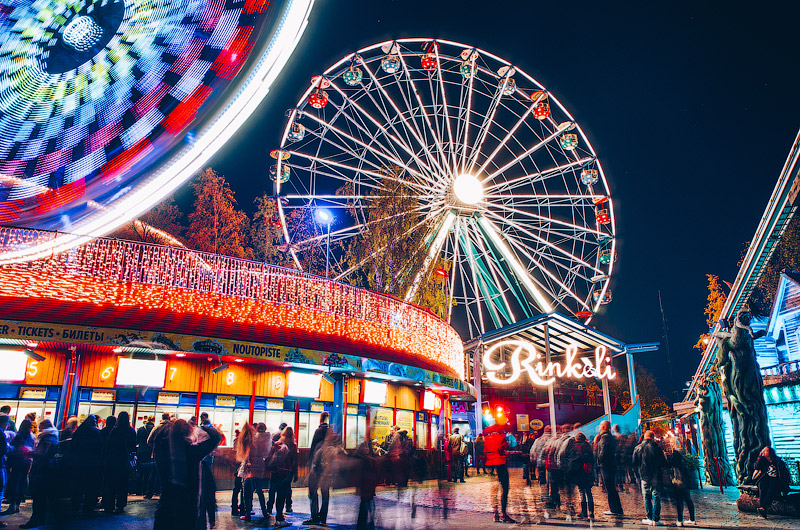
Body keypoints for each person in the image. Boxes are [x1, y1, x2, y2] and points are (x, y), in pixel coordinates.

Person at [151, 418, 221, 530]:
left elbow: (153, 438)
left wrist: (167, 426)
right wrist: (199, 427)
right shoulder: (190, 451)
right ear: (187, 433)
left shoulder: (161, 447)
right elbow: (215, 437)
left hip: (165, 505)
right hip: (186, 505)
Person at [20, 419, 59, 529]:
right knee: (45, 496)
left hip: (41, 470)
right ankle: (43, 519)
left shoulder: (46, 437)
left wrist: (29, 452)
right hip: (49, 469)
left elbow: (42, 454)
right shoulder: (53, 436)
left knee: (38, 496)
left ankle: (36, 519)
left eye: (40, 426)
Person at [304, 429, 341, 527]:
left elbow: (316, 461)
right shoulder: (332, 447)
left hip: (319, 473)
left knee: (314, 493)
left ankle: (315, 516)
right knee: (324, 495)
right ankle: (322, 517)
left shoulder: (323, 447)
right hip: (326, 474)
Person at [237, 423, 271, 522]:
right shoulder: (267, 439)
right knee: (259, 491)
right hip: (260, 467)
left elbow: (246, 453)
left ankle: (248, 514)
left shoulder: (253, 440)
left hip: (250, 468)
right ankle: (264, 512)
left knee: (247, 492)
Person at [70, 415, 103, 515]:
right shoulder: (95, 431)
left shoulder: (80, 430)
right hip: (92, 463)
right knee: (90, 486)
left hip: (79, 462)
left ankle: (75, 505)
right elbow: (100, 447)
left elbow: (73, 445)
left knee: (78, 485)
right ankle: (88, 507)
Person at [0, 419, 34, 516]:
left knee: (15, 482)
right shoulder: (31, 436)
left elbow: (12, 448)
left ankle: (12, 505)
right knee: (22, 482)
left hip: (18, 461)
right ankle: (17, 505)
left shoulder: (19, 436)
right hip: (27, 461)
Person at [633, 430, 667, 526]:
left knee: (646, 496)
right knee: (656, 496)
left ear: (644, 437)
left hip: (644, 475)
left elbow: (634, 462)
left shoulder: (638, 448)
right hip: (656, 474)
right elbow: (664, 463)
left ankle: (649, 517)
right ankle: (655, 519)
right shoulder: (657, 448)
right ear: (653, 437)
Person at [484, 425, 514, 523]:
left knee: (494, 489)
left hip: (490, 464)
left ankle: (495, 512)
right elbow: (509, 446)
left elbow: (484, 451)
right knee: (504, 488)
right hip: (500, 463)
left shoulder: (487, 438)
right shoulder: (502, 437)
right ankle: (503, 513)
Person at [268, 426, 297, 528]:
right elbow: (294, 461)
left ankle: (269, 510)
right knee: (281, 496)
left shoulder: (277, 444)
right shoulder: (292, 446)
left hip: (275, 472)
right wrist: (295, 474)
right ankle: (279, 518)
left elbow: (270, 455)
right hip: (285, 473)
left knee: (272, 491)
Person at [304, 413, 330, 526]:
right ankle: (323, 516)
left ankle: (314, 516)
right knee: (325, 492)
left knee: (313, 491)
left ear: (320, 419)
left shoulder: (319, 431)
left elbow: (313, 447)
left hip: (317, 466)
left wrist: (309, 462)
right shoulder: (331, 432)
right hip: (328, 467)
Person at [594, 420, 624, 516]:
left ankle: (614, 509)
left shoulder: (604, 438)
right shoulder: (610, 437)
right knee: (611, 487)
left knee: (610, 488)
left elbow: (602, 454)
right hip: (610, 465)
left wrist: (598, 460)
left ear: (604, 427)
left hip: (606, 466)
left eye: (601, 426)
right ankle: (616, 508)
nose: (599, 427)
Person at [752, 446, 790, 519]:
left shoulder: (778, 461)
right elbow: (756, 467)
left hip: (777, 479)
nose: (763, 452)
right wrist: (760, 457)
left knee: (771, 489)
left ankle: (763, 508)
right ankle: (762, 508)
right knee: (762, 485)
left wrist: (785, 484)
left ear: (770, 453)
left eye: (765, 451)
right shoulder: (763, 461)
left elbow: (784, 474)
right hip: (767, 479)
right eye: (763, 451)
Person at [196, 413, 219, 530]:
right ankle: (211, 521)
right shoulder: (204, 463)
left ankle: (206, 521)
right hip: (206, 464)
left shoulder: (196, 457)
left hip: (204, 465)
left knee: (203, 497)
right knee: (208, 496)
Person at [568, 432, 595, 520]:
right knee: (589, 492)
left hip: (579, 472)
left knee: (582, 492)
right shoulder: (588, 446)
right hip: (588, 471)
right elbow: (592, 460)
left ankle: (584, 512)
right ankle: (591, 512)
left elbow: (572, 461)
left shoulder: (574, 447)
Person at [668, 446, 696, 526]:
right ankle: (692, 519)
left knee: (679, 502)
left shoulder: (674, 465)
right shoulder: (684, 463)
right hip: (685, 483)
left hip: (677, 483)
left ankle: (680, 520)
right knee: (688, 500)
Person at [354, 438, 378, 530]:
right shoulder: (368, 460)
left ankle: (364, 523)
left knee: (365, 504)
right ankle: (368, 522)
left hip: (367, 485)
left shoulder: (364, 459)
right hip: (367, 485)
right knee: (367, 503)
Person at [136, 417, 156, 498]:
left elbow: (136, 441)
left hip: (141, 451)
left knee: (139, 472)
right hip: (150, 452)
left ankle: (138, 490)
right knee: (148, 472)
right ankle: (145, 489)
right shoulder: (154, 430)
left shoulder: (140, 429)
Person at [231, 429, 244, 516]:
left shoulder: (236, 441)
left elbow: (234, 453)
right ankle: (242, 507)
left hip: (237, 465)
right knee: (242, 488)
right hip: (242, 465)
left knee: (237, 488)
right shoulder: (245, 442)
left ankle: (234, 507)